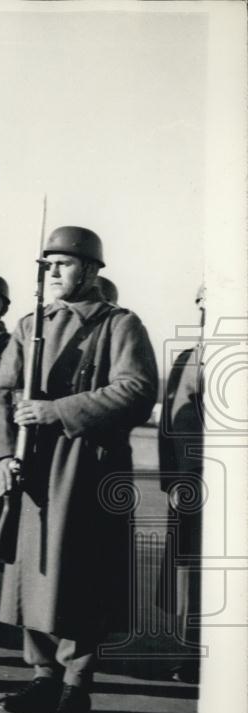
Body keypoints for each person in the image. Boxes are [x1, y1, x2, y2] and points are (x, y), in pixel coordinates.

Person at [0, 225, 157, 713]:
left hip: (88, 465)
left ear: (90, 269)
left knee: (81, 575)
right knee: (31, 571)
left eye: (64, 263)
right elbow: (2, 392)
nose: (54, 272)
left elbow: (136, 389)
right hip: (31, 463)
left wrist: (56, 410)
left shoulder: (119, 324)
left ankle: (75, 686)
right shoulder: (28, 324)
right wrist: (0, 457)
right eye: (48, 265)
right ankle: (42, 676)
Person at [157, 284, 205, 687]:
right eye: (204, 302)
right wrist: (172, 478)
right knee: (193, 576)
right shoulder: (190, 357)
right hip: (194, 485)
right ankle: (193, 653)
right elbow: (173, 423)